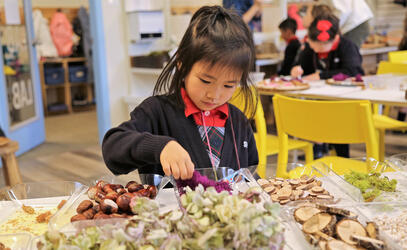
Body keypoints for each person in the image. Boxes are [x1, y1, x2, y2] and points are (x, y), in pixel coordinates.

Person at [102, 6, 259, 180]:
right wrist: (160, 147)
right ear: (182, 65)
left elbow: (250, 176)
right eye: (205, 81)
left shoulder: (238, 122)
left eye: (229, 85)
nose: (214, 95)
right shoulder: (156, 112)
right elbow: (112, 148)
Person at [291, 13, 364, 81]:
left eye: (321, 47)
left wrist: (321, 76)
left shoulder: (347, 47)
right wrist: (296, 70)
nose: (316, 50)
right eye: (312, 46)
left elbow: (353, 72)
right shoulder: (309, 46)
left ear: (335, 39)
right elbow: (303, 67)